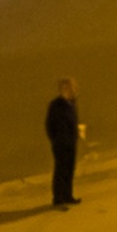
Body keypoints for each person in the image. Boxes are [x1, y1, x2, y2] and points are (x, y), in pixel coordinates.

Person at [45, 74, 81, 209]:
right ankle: (58, 198)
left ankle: (67, 195)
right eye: (65, 87)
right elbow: (49, 125)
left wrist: (75, 137)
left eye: (70, 87)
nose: (68, 89)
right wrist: (55, 140)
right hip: (60, 143)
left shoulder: (71, 104)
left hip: (70, 143)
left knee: (69, 169)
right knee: (60, 170)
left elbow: (73, 122)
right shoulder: (55, 105)